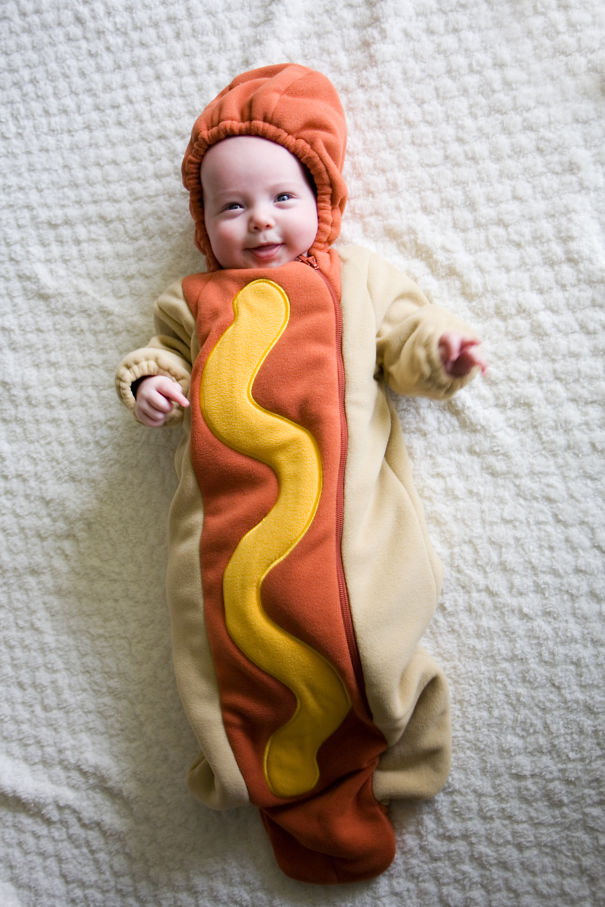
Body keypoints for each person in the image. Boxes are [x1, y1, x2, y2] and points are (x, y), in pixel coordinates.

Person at [116, 63, 486, 885]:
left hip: (341, 537)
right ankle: (266, 772)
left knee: (356, 641)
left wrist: (443, 351)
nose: (258, 220)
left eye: (282, 196)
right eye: (231, 207)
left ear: (321, 198)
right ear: (202, 222)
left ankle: (362, 760)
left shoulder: (355, 280)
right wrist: (149, 382)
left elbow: (407, 337)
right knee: (238, 647)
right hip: (228, 528)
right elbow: (159, 351)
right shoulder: (194, 299)